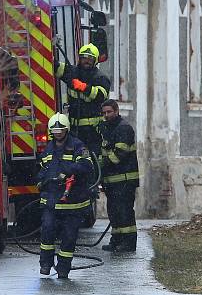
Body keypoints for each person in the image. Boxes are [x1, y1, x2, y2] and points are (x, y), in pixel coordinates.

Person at [37, 113, 94, 278]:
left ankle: (63, 268)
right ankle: (46, 264)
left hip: (73, 203)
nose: (58, 133)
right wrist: (40, 180)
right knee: (47, 231)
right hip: (52, 202)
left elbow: (87, 165)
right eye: (55, 130)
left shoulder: (78, 146)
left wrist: (67, 171)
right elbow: (42, 168)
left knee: (69, 237)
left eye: (61, 130)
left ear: (66, 129)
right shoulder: (48, 148)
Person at [98, 99, 140, 252]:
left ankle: (128, 244)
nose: (106, 115)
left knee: (125, 212)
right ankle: (116, 241)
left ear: (116, 111)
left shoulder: (124, 129)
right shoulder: (107, 129)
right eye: (104, 113)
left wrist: (100, 163)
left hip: (125, 180)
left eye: (109, 112)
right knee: (114, 212)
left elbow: (119, 154)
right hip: (112, 182)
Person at [55, 43, 110, 157]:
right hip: (74, 129)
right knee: (74, 157)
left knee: (91, 157)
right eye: (84, 57)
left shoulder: (100, 78)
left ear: (95, 61)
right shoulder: (72, 72)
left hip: (93, 131)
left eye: (90, 58)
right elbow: (54, 66)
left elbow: (101, 95)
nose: (87, 61)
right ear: (79, 58)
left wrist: (83, 87)